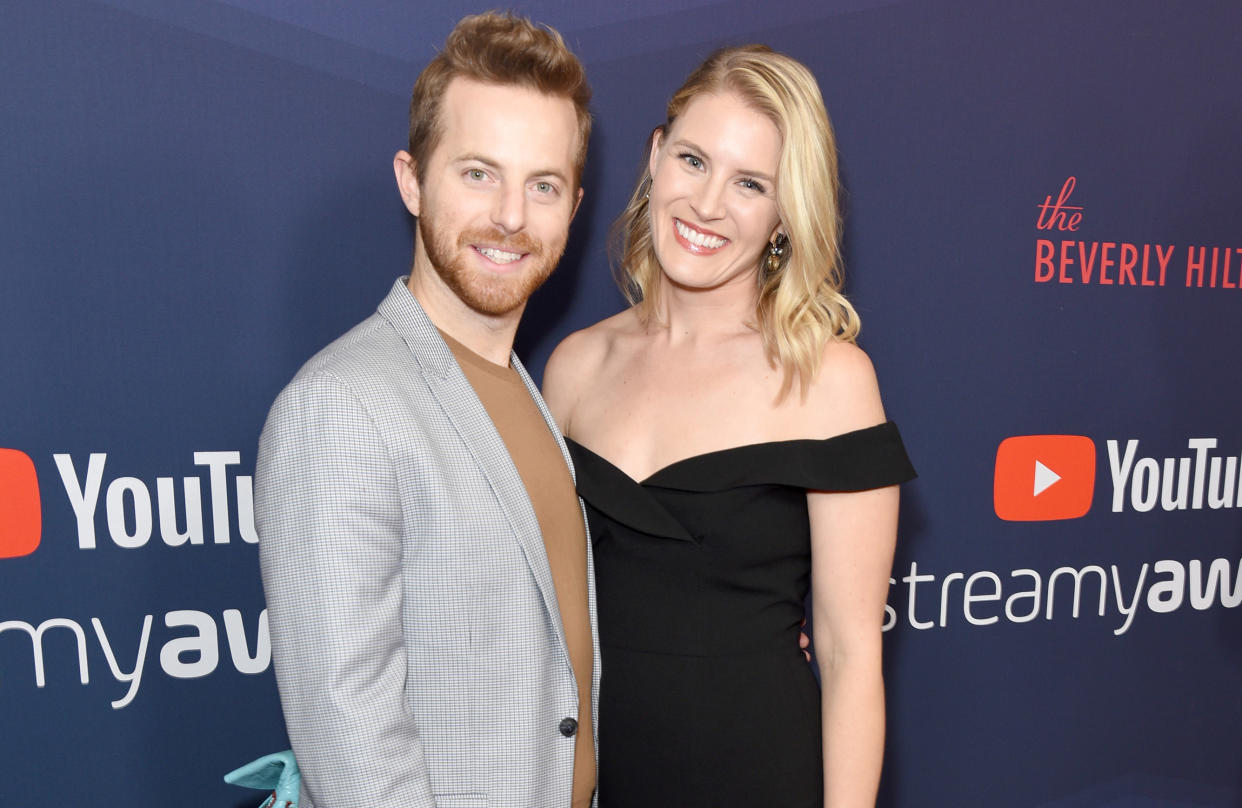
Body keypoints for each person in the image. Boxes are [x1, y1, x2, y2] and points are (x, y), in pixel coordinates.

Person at [543, 45, 915, 807]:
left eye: (751, 184)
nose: (708, 205)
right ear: (655, 156)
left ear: (786, 211)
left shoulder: (831, 381)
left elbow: (849, 657)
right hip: (597, 779)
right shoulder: (574, 368)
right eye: (693, 160)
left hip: (758, 773)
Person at [254, 12, 597, 808]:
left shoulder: (525, 390)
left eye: (542, 185)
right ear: (412, 180)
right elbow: (350, 739)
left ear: (573, 207)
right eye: (479, 173)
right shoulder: (339, 407)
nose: (511, 216)